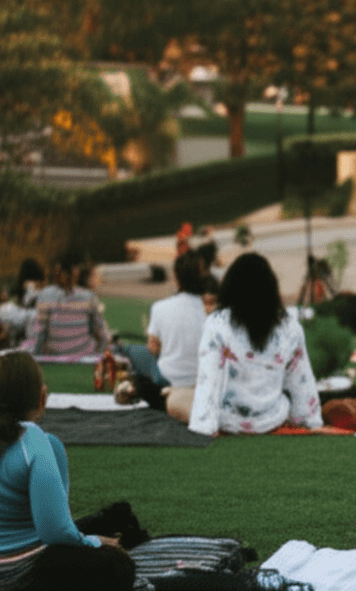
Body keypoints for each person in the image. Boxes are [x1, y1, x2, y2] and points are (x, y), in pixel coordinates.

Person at [0, 351, 135, 591]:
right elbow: (56, 532)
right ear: (42, 398)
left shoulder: (41, 444)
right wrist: (95, 542)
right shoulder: (32, 441)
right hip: (21, 573)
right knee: (118, 565)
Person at [188, 253, 323, 435]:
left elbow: (208, 381)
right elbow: (302, 380)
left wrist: (203, 427)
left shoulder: (217, 323)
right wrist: (310, 420)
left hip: (229, 421)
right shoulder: (290, 326)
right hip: (272, 419)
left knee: (176, 398)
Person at [128, 251, 208, 419]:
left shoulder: (160, 307)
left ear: (176, 278)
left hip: (167, 380)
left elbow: (153, 348)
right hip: (202, 380)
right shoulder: (210, 311)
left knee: (132, 350)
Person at [24, 254, 108, 359]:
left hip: (55, 357)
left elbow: (39, 334)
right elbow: (100, 332)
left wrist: (36, 357)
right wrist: (99, 355)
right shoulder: (88, 297)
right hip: (85, 356)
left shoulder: (45, 295)